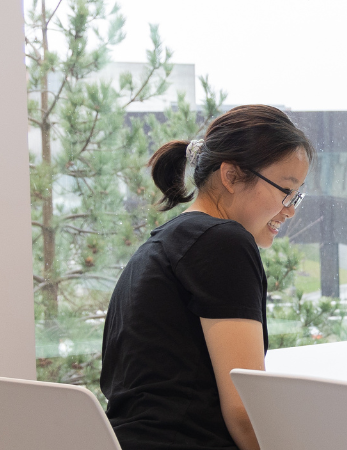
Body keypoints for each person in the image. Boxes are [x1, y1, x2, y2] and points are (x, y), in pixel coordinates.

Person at [99, 105, 314, 450]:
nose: (289, 209)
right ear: (230, 176)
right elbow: (244, 411)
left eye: (297, 196)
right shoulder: (222, 242)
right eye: (285, 190)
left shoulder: (161, 245)